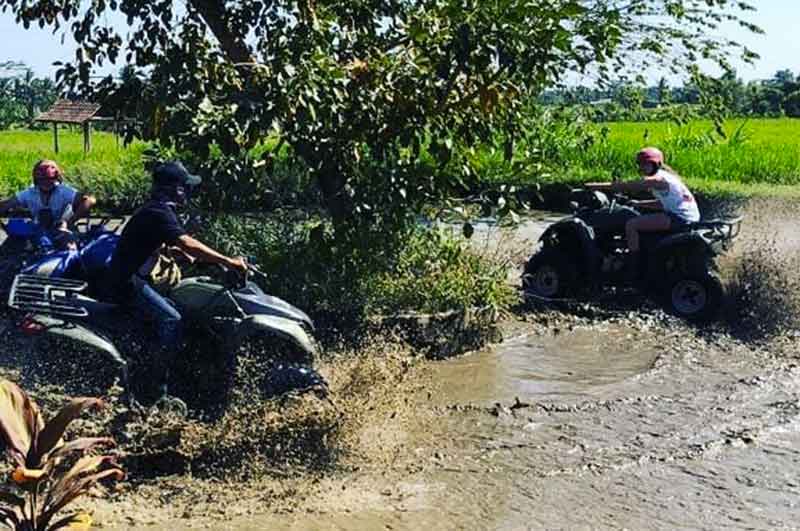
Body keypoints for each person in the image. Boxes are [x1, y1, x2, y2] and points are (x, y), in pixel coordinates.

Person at [102, 161, 247, 400]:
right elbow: (186, 242)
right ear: (175, 189)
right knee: (172, 319)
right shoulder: (158, 211)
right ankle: (153, 389)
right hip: (126, 283)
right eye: (185, 186)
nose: (188, 192)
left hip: (133, 277)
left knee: (182, 308)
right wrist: (228, 261)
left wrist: (199, 260)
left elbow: (170, 246)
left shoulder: (155, 210)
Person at [587, 147, 700, 278]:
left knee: (631, 225)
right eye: (640, 164)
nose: (642, 168)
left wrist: (595, 186)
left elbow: (627, 186)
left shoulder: (658, 179)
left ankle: (633, 266)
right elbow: (665, 204)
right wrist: (638, 203)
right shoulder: (667, 178)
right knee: (640, 220)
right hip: (686, 217)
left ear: (656, 164)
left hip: (679, 218)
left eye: (645, 164)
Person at [0, 160, 96, 248]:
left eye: (49, 180)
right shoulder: (29, 193)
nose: (46, 183)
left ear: (57, 178)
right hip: (38, 230)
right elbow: (6, 204)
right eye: (42, 180)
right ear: (36, 180)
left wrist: (70, 222)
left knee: (70, 247)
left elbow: (90, 200)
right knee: (10, 247)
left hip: (63, 229)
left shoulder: (64, 191)